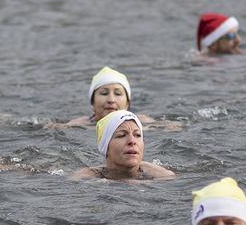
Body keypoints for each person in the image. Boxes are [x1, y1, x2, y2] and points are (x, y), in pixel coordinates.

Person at [50, 66, 179, 130]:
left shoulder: (140, 121)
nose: (111, 99)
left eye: (118, 94)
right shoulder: (81, 124)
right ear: (92, 102)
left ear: (128, 103)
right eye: (104, 93)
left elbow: (175, 127)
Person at [70, 109, 174, 180]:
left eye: (137, 135)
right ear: (106, 147)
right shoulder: (85, 178)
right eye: (121, 135)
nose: (132, 141)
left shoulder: (163, 177)